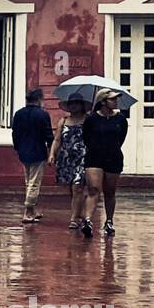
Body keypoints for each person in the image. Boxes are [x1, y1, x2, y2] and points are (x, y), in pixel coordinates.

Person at [80, 89, 128, 240]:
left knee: (110, 191)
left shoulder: (120, 119)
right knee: (93, 188)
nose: (115, 102)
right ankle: (87, 220)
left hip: (113, 156)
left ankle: (109, 220)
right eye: (112, 99)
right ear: (103, 102)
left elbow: (121, 138)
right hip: (94, 156)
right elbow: (86, 138)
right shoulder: (91, 119)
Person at [11, 88, 54, 223]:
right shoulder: (42, 114)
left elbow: (15, 134)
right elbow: (48, 135)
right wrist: (52, 151)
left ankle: (32, 209)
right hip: (38, 152)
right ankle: (28, 211)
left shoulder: (18, 114)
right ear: (39, 99)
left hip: (23, 152)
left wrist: (18, 148)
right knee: (34, 183)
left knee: (28, 181)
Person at [48, 96, 88, 232]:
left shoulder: (88, 120)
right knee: (71, 188)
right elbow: (57, 140)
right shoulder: (63, 121)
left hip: (83, 157)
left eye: (77, 103)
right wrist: (52, 154)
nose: (74, 106)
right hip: (66, 158)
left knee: (78, 187)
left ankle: (74, 219)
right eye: (71, 103)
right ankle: (79, 212)